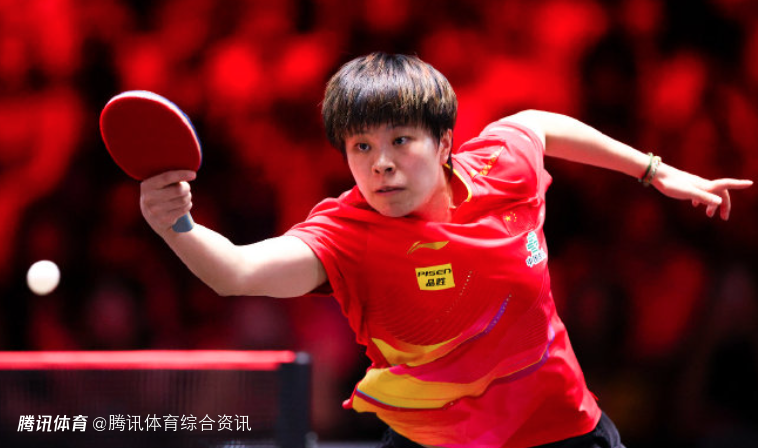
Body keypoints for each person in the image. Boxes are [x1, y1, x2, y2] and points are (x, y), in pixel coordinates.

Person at [139, 53, 752, 448]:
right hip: (434, 442)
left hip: (563, 432)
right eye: (360, 147)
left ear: (445, 142)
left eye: (401, 140)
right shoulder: (347, 236)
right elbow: (238, 271)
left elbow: (538, 124)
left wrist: (654, 171)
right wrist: (176, 225)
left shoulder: (501, 169)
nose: (380, 164)